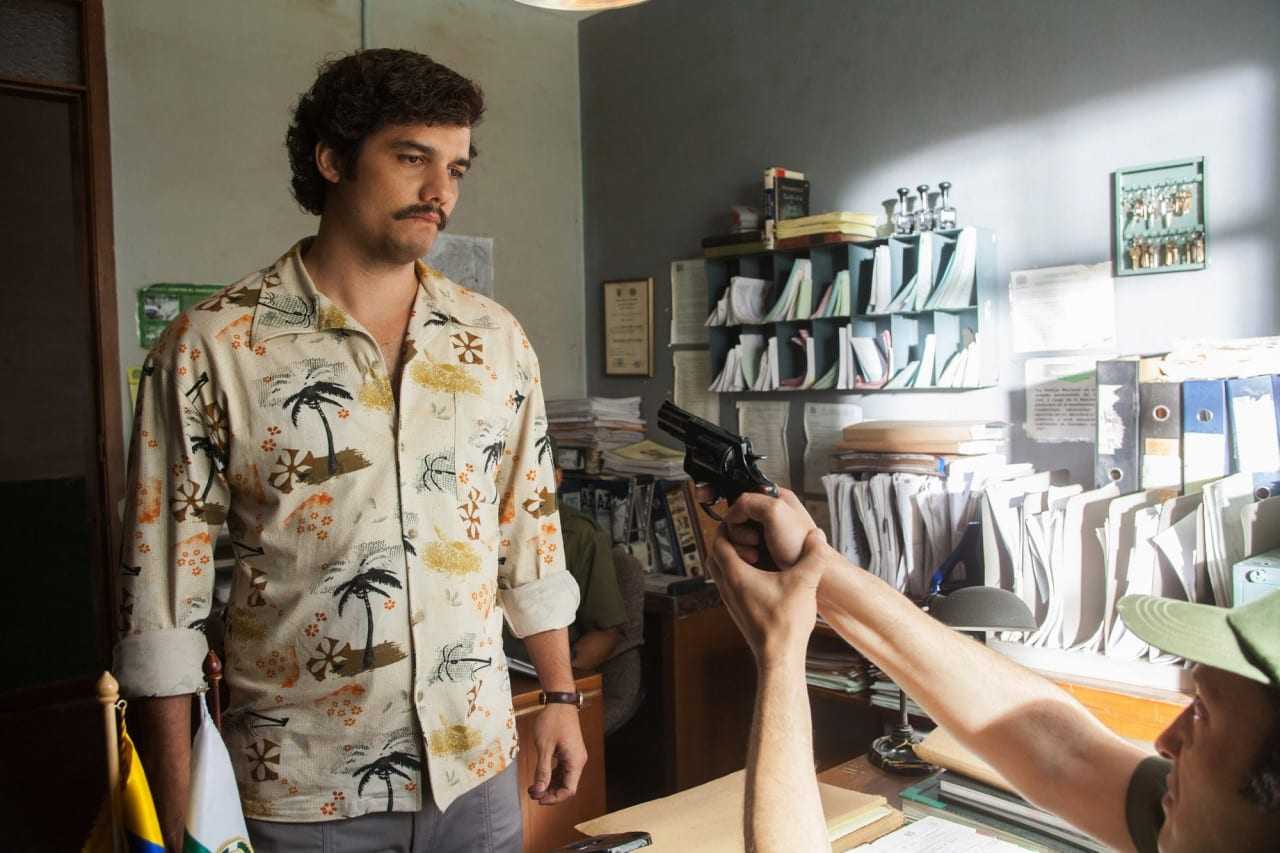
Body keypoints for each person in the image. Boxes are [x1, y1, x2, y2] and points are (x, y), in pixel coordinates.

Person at [114, 49, 585, 852]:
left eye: (456, 168)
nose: (440, 192)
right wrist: (176, 805)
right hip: (304, 793)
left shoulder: (496, 341)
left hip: (477, 772)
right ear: (332, 159)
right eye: (412, 158)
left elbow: (529, 537)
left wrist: (561, 697)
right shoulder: (212, 347)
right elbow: (161, 603)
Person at [703, 488, 1280, 853]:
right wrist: (819, 567)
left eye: (1204, 714)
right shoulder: (1216, 825)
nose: (1166, 741)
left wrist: (779, 652)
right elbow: (1063, 754)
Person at [507, 436, 627, 672]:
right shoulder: (480, 532)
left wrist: (558, 677)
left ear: (556, 478)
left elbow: (605, 633)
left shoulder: (579, 535)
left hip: (541, 672)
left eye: (531, 473)